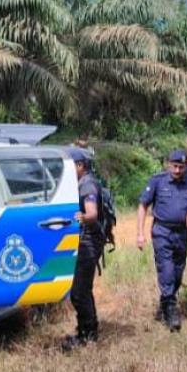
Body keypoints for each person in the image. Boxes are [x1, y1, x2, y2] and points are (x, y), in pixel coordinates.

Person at [137, 149, 187, 332]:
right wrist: (140, 234)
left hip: (182, 233)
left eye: (181, 167)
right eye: (174, 166)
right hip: (162, 231)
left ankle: (164, 305)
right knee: (167, 270)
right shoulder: (157, 181)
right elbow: (143, 206)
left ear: (186, 167)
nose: (177, 170)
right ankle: (171, 313)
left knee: (178, 275)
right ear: (168, 164)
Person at [63, 148, 105, 351]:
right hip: (87, 240)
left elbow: (92, 213)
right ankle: (89, 330)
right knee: (82, 290)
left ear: (80, 166)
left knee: (79, 292)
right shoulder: (82, 182)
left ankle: (87, 335)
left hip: (89, 242)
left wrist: (78, 217)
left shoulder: (87, 184)